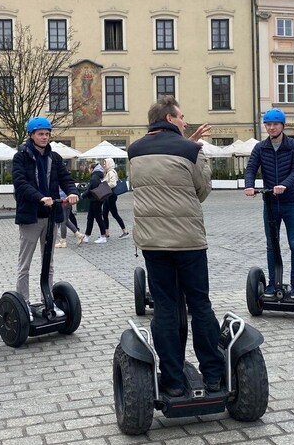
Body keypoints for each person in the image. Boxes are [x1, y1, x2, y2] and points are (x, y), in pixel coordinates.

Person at [128, 96, 224, 396]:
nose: (186, 121)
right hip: (188, 243)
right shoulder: (190, 150)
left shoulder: (134, 150)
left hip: (153, 243)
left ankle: (172, 380)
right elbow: (202, 190)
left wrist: (189, 144)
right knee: (200, 306)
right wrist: (198, 151)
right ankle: (212, 376)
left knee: (166, 308)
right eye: (182, 116)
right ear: (170, 119)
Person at [12, 117, 79, 314]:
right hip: (31, 217)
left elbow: (65, 178)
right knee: (25, 262)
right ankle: (23, 303)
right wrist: (41, 198)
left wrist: (72, 192)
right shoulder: (21, 157)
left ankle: (47, 300)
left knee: (48, 262)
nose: (44, 137)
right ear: (31, 135)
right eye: (40, 134)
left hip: (50, 217)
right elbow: (20, 183)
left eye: (47, 134)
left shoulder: (55, 157)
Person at [243, 109, 294, 299]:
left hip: (290, 202)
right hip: (270, 203)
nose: (271, 127)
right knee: (272, 244)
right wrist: (249, 186)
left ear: (282, 126)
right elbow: (251, 169)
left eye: (275, 124)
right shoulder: (260, 148)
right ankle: (272, 284)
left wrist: (284, 185)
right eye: (268, 124)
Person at [101, 157, 129, 239]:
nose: (104, 165)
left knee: (115, 214)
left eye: (105, 163)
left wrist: (104, 185)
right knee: (105, 214)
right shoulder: (107, 172)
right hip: (108, 195)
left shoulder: (111, 172)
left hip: (111, 196)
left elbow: (113, 184)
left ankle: (125, 231)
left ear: (109, 164)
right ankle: (106, 232)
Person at [82, 162, 108, 243]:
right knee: (90, 218)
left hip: (95, 200)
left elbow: (91, 189)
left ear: (93, 169)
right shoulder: (98, 175)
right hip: (97, 199)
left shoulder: (94, 177)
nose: (89, 170)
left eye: (90, 168)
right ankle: (87, 236)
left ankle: (103, 236)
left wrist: (83, 195)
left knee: (98, 218)